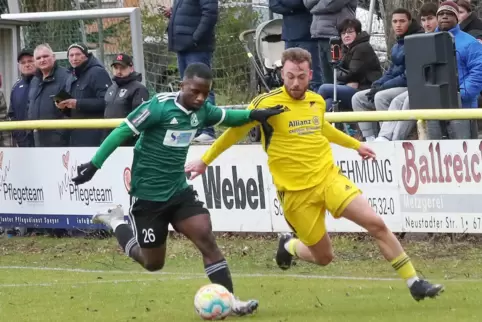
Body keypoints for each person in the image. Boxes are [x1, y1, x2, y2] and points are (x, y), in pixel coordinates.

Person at [186, 48, 444, 302]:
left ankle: (414, 282)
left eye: (301, 76)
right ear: (281, 74)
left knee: (375, 223)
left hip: (328, 178)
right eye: (289, 76)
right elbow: (234, 133)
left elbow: (322, 128)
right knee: (324, 257)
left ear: (310, 74)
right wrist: (205, 161)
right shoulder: (265, 105)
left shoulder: (316, 101)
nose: (295, 83)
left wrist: (356, 145)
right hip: (296, 194)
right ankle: (288, 245)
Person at [71, 63, 284, 316]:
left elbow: (227, 118)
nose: (201, 97)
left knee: (205, 236)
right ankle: (117, 221)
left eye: (205, 92)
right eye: (195, 91)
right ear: (182, 85)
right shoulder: (158, 107)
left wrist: (255, 115)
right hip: (148, 196)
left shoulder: (202, 110)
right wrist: (94, 165)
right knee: (153, 263)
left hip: (178, 191)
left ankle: (230, 300)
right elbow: (121, 131)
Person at [351, 8, 423, 142]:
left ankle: (387, 138)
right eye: (395, 21)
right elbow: (391, 71)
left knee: (381, 97)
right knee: (358, 98)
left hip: (408, 86)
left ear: (410, 22)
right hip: (395, 85)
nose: (398, 25)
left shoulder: (417, 41)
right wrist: (378, 83)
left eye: (402, 21)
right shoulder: (398, 44)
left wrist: (383, 87)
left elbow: (408, 76)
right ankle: (370, 139)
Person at [161, 0, 218, 143]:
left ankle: (207, 130)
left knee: (201, 88)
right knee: (188, 90)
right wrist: (173, 13)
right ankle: (194, 130)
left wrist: (195, 38)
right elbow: (191, 12)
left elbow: (210, 14)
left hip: (197, 48)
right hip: (183, 46)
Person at [426, 1, 482, 140]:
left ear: (457, 18)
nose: (445, 16)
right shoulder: (425, 41)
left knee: (463, 151)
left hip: (462, 106)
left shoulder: (470, 42)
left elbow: (478, 72)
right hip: (433, 105)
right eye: (441, 14)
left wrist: (460, 95)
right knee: (435, 149)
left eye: (450, 13)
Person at [61, 43, 112, 147]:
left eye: (78, 54)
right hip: (75, 134)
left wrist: (78, 104)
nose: (74, 58)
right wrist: (62, 105)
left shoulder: (97, 72)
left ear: (86, 55)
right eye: (71, 55)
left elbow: (106, 101)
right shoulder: (71, 75)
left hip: (94, 134)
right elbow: (70, 107)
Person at [269, 0, 322, 90]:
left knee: (312, 75)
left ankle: (315, 99)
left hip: (307, 35)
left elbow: (303, 3)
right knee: (289, 71)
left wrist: (288, 6)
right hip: (289, 36)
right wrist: (293, 9)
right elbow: (273, 5)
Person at [28, 44, 71, 147]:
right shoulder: (35, 80)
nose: (42, 60)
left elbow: (68, 110)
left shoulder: (64, 77)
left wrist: (60, 134)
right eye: (38, 58)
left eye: (45, 56)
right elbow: (29, 105)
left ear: (54, 57)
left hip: (58, 140)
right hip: (36, 137)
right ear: (35, 61)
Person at [104, 53, 149, 145]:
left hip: (128, 140)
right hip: (110, 137)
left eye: (122, 68)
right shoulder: (111, 88)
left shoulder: (139, 89)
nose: (118, 71)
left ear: (131, 68)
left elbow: (140, 117)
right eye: (116, 68)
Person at [8, 48, 36, 147]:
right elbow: (12, 114)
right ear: (19, 66)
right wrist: (18, 136)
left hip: (45, 141)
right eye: (23, 62)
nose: (27, 64)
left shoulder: (45, 82)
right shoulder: (16, 88)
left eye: (30, 61)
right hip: (23, 142)